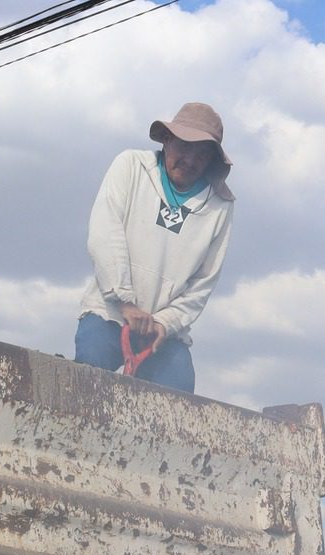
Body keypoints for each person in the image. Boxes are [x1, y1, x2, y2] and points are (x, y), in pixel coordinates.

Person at [74, 101, 235, 394]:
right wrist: (125, 302)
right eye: (184, 147)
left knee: (178, 405)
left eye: (201, 155)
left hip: (165, 334)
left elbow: (204, 281)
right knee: (85, 389)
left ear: (212, 161)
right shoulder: (131, 165)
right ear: (166, 139)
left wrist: (165, 322)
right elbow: (104, 234)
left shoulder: (220, 206)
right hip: (109, 312)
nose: (190, 160)